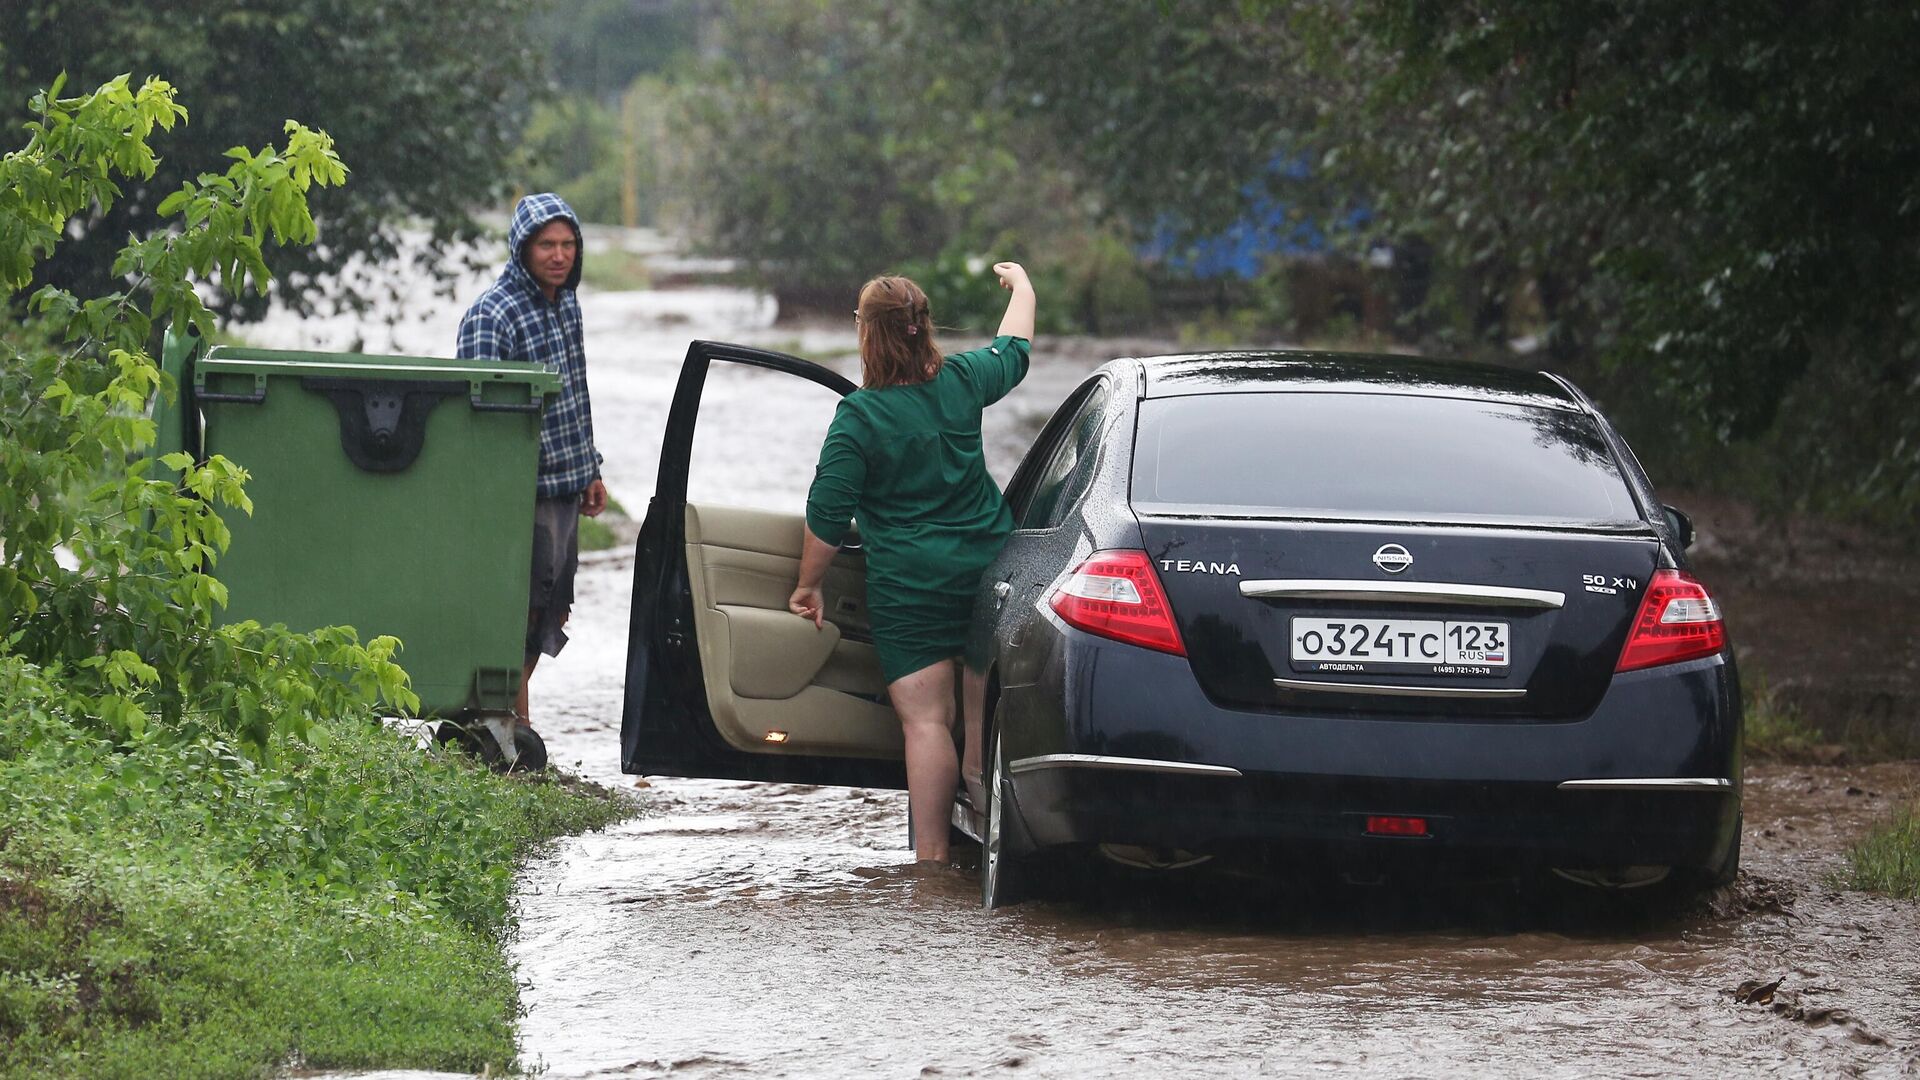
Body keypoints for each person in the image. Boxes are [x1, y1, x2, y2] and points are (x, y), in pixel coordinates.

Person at [792, 263, 1036, 864]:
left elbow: (827, 513)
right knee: (985, 706)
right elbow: (1016, 351)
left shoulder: (861, 417)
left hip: (911, 585)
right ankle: (994, 837)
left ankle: (930, 863)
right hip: (988, 569)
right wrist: (1024, 289)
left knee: (927, 722)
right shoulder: (962, 380)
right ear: (923, 327)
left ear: (866, 333)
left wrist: (808, 586)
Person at [456, 193, 608, 732]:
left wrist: (591, 467)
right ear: (522, 248)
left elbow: (577, 394)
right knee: (517, 611)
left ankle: (507, 724)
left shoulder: (568, 304)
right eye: (547, 244)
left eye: (568, 244)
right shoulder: (491, 315)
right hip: (519, 493)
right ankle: (506, 726)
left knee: (552, 611)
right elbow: (477, 422)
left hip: (567, 485)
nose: (559, 255)